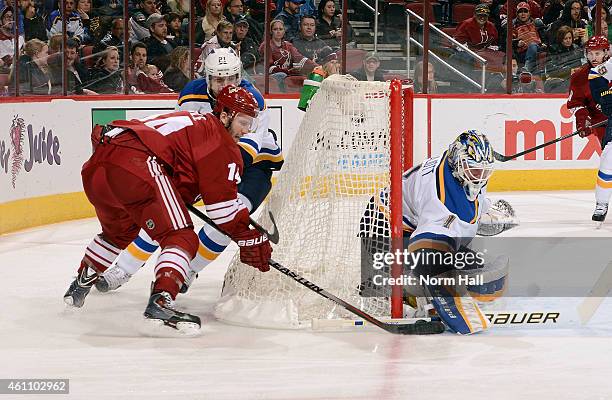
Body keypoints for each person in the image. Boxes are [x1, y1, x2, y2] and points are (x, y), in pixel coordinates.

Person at [63, 86, 272, 335]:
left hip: (100, 164)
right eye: (243, 121)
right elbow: (222, 211)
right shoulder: (220, 142)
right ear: (225, 114)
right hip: (136, 162)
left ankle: (79, 285)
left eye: (251, 124)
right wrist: (249, 238)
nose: (246, 131)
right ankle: (161, 302)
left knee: (118, 234)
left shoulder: (196, 123)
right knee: (181, 236)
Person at [94, 48, 283, 295]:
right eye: (218, 79)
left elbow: (244, 153)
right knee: (166, 214)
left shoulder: (253, 99)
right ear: (208, 78)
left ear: (238, 77)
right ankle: (123, 269)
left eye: (230, 79)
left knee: (225, 222)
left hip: (252, 167)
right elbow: (179, 138)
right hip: (207, 161)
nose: (225, 84)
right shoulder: (192, 94)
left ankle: (189, 270)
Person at [360, 131, 515, 334]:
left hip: (407, 223)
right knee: (443, 271)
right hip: (382, 228)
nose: (479, 177)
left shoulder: (455, 169)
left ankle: (410, 288)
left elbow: (469, 205)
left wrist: (485, 212)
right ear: (459, 163)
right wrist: (458, 313)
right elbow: (428, 256)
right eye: (474, 170)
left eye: (483, 171)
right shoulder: (440, 201)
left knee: (478, 274)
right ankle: (392, 291)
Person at [584, 36, 612, 223]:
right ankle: (601, 204)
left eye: (598, 53)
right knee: (608, 159)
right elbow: (607, 105)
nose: (594, 57)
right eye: (591, 53)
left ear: (606, 52)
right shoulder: (595, 75)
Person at [259, 19, 315, 91]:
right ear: (271, 31)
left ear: (284, 31)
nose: (278, 31)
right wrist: (289, 71)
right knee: (282, 75)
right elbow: (269, 68)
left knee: (304, 77)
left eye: (281, 29)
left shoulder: (288, 45)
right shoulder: (266, 45)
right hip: (272, 76)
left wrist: (316, 67)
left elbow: (299, 58)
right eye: (275, 29)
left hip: (288, 74)